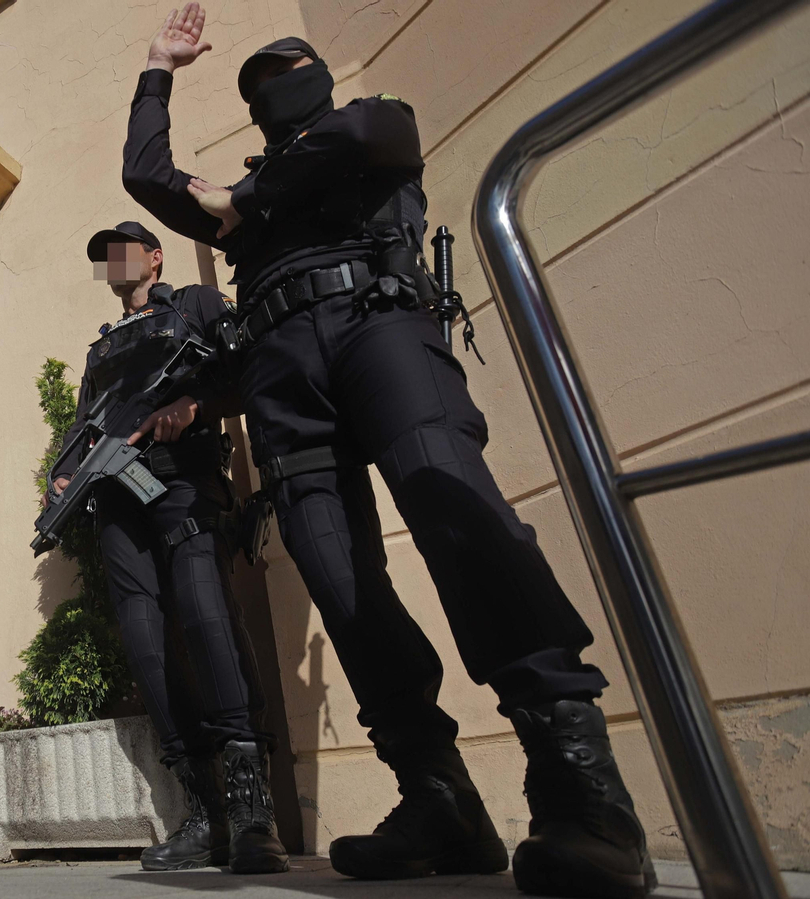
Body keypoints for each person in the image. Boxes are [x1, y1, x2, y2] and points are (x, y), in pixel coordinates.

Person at [121, 6, 652, 896]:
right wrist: (157, 69)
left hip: (383, 334)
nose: (275, 84)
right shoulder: (242, 215)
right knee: (339, 577)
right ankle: (437, 792)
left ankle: (581, 788)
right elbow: (147, 174)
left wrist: (241, 198)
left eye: (288, 68)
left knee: (457, 511)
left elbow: (359, 134)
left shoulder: (371, 127)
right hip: (282, 383)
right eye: (259, 82)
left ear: (319, 77)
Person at [46, 221, 285, 875]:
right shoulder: (104, 351)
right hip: (121, 501)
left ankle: (252, 812)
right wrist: (64, 472)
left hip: (181, 482)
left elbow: (255, 364)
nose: (112, 262)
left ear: (154, 256)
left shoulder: (195, 307)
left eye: (122, 249)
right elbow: (83, 428)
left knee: (208, 619)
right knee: (147, 647)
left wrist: (197, 405)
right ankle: (204, 809)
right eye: (103, 257)